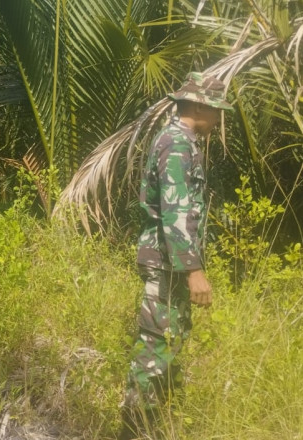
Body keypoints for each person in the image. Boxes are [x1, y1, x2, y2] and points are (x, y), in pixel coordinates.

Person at [119, 73, 233, 439]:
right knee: (154, 346)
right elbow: (175, 211)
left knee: (170, 338)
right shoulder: (177, 145)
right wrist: (194, 271)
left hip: (169, 260)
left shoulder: (178, 141)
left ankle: (155, 424)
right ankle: (132, 430)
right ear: (199, 106)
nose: (218, 117)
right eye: (216, 109)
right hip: (167, 262)